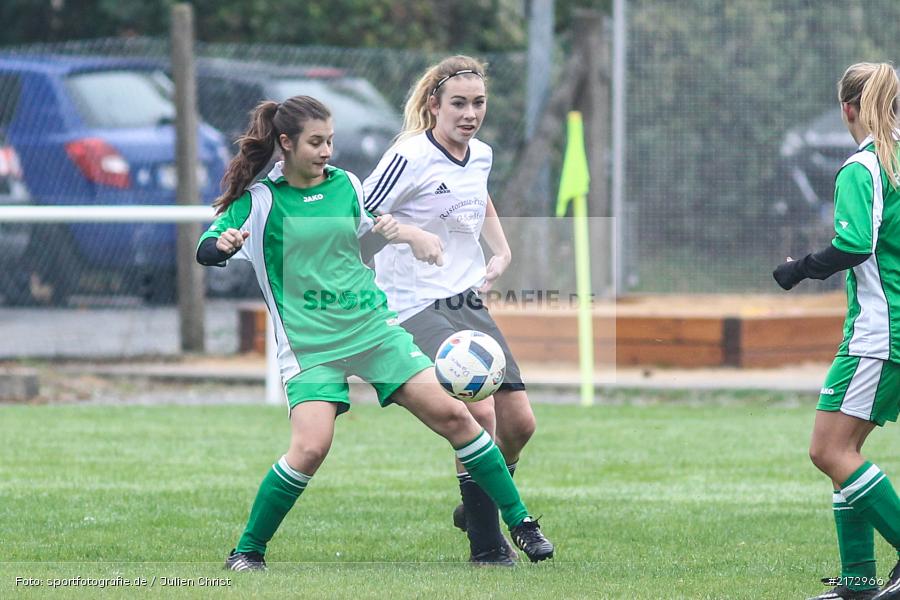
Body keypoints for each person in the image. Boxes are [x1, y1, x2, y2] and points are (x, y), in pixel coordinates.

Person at [196, 95, 554, 571]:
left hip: (374, 331)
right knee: (309, 448)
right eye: (316, 142)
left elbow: (371, 232)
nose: (327, 151)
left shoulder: (346, 185)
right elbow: (206, 247)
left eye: (330, 141)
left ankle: (521, 523)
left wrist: (410, 235)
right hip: (311, 346)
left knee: (457, 417)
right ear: (285, 143)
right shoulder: (259, 202)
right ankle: (247, 551)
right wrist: (221, 244)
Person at [362, 56, 538, 566]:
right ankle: (487, 547)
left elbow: (477, 197)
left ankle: (477, 497)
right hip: (412, 304)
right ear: (434, 104)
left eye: (478, 103)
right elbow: (363, 213)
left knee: (520, 424)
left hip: (465, 298)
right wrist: (410, 234)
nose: (469, 113)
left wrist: (500, 250)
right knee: (478, 409)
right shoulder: (410, 155)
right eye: (458, 103)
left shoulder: (479, 154)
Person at [773, 62, 900, 600]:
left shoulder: (864, 166)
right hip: (887, 329)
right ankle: (856, 582)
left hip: (880, 332)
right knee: (844, 451)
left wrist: (798, 269)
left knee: (829, 451)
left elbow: (853, 246)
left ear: (847, 108)